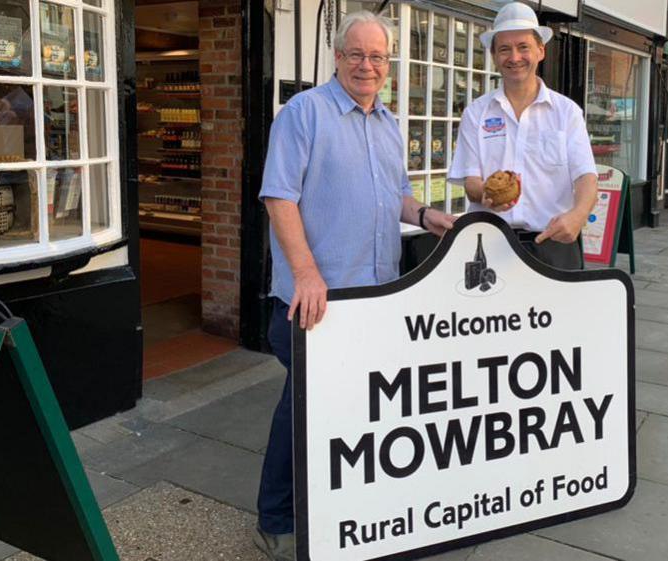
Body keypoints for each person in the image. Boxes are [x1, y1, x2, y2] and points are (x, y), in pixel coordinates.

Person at [253, 11, 455, 561]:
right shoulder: (304, 113)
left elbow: (396, 197)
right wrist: (307, 272)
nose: (367, 66)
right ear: (337, 57)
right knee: (305, 405)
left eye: (378, 57)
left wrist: (428, 213)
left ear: (388, 64)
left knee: (354, 410)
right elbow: (279, 197)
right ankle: (276, 518)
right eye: (357, 55)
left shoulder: (389, 123)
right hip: (315, 299)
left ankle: (345, 508)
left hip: (376, 297)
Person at [449, 2, 598, 270]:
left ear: (540, 51)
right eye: (504, 49)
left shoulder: (566, 112)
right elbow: (471, 182)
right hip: (490, 245)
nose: (514, 57)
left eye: (523, 47)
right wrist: (484, 193)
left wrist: (578, 215)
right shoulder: (476, 113)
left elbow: (586, 177)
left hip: (552, 242)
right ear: (494, 56)